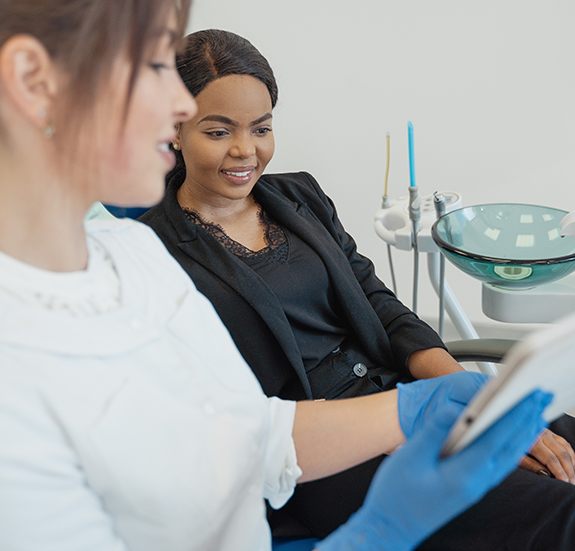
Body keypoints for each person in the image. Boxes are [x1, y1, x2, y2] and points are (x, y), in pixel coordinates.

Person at [0, 2, 554, 550]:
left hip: (362, 411)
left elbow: (248, 434)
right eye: (153, 66)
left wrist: (419, 406)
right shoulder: (28, 369)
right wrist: (378, 533)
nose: (176, 106)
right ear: (32, 78)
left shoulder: (130, 256)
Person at [139, 29, 575, 549]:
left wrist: (469, 404)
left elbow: (380, 305)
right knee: (559, 513)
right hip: (326, 455)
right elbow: (219, 415)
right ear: (174, 129)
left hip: (405, 395)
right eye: (217, 132)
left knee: (554, 444)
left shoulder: (300, 195)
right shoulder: (149, 252)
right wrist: (403, 426)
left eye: (261, 128)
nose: (245, 150)